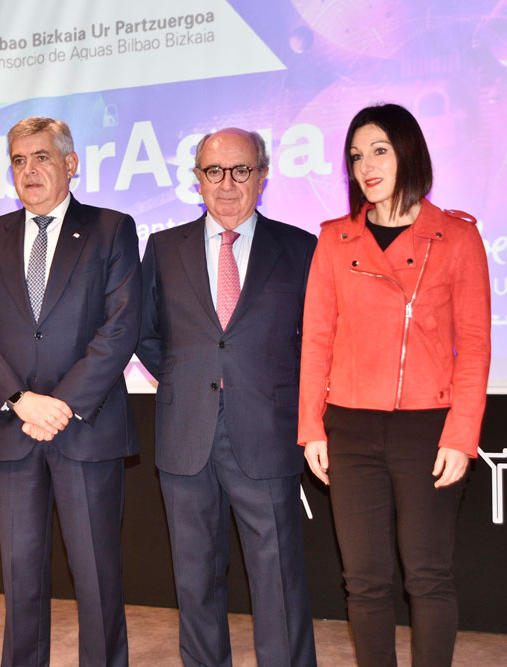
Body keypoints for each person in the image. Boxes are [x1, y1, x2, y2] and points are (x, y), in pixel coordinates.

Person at [298, 103, 491, 666]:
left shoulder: (456, 237)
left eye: (379, 150)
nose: (366, 166)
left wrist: (461, 436)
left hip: (427, 430)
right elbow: (317, 340)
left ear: (408, 153)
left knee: (428, 576)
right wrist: (312, 427)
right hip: (349, 427)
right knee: (364, 580)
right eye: (357, 156)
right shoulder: (335, 240)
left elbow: (474, 346)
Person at [0, 117, 140, 667]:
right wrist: (20, 400)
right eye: (18, 160)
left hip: (85, 427)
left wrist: (61, 405)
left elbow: (121, 326)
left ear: (70, 164)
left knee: (97, 577)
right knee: (21, 578)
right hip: (13, 429)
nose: (29, 170)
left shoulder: (111, 229)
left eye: (41, 157)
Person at [137, 127, 318, 666]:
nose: (227, 183)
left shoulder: (300, 248)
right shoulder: (163, 248)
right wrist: (185, 380)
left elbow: (316, 341)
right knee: (195, 583)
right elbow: (145, 333)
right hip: (186, 436)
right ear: (197, 179)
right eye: (214, 171)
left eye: (241, 170)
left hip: (268, 432)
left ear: (263, 177)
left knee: (278, 582)